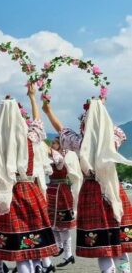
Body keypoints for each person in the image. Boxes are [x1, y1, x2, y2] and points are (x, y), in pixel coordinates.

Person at [0, 85, 58, 273]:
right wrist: (32, 98)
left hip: (9, 193)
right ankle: (39, 267)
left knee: (18, 248)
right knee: (33, 241)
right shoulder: (30, 136)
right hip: (29, 189)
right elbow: (38, 121)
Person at [43, 98, 132, 273]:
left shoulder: (80, 143)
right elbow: (112, 128)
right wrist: (99, 107)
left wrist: (48, 111)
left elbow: (61, 130)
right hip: (112, 188)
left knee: (102, 247)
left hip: (92, 190)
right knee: (119, 241)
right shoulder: (112, 140)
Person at [45, 137, 82, 268]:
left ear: (60, 145)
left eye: (54, 143)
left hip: (61, 192)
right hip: (51, 191)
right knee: (51, 224)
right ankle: (59, 246)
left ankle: (68, 253)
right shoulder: (52, 157)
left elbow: (54, 156)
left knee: (63, 225)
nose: (52, 145)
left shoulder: (62, 157)